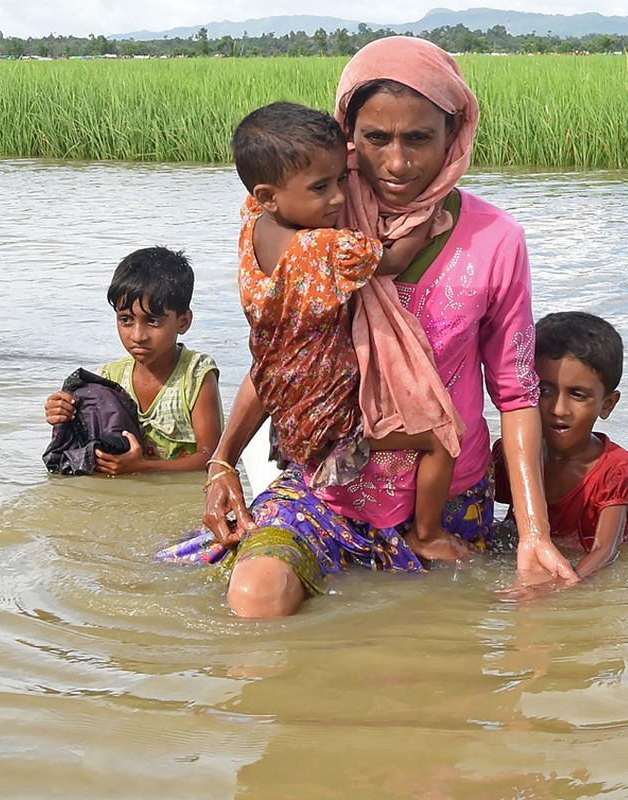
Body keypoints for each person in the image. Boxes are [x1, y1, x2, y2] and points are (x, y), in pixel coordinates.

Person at [195, 36, 576, 618]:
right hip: (328, 485)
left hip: (445, 497)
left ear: (455, 135)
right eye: (376, 139)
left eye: (419, 138)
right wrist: (222, 461)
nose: (397, 163)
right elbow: (284, 356)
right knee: (255, 597)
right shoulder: (317, 223)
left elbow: (516, 391)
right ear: (347, 136)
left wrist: (533, 535)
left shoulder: (495, 239)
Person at [226, 101, 466, 561]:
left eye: (342, 178)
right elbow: (392, 260)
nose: (339, 197)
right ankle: (428, 535)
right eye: (321, 187)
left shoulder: (252, 224)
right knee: (440, 438)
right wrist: (431, 218)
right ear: (269, 195)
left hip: (287, 408)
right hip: (332, 419)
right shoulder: (326, 247)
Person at [43, 247, 222, 475]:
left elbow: (212, 458)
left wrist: (142, 468)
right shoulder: (109, 378)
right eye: (126, 320)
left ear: (183, 322)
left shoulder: (195, 375)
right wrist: (62, 412)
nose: (138, 335)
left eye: (153, 321)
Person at [493, 311, 628, 581]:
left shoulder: (616, 469)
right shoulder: (511, 453)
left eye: (577, 395)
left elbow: (605, 551)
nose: (558, 409)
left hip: (583, 566)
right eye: (544, 390)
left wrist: (562, 587)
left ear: (607, 404)